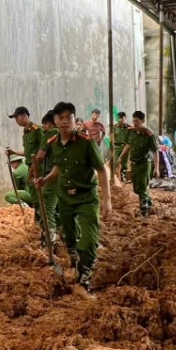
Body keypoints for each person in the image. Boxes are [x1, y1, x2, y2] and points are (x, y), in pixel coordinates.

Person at [35, 101, 112, 291]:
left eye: (68, 117)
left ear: (74, 119)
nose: (65, 122)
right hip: (65, 198)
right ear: (55, 121)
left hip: (86, 198)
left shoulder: (86, 143)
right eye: (60, 118)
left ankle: (83, 282)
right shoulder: (54, 144)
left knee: (89, 241)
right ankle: (76, 260)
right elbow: (59, 166)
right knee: (69, 240)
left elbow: (102, 170)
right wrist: (46, 179)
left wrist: (107, 199)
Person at [117, 110, 157, 217]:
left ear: (143, 121)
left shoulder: (149, 134)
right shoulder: (131, 131)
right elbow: (128, 145)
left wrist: (156, 168)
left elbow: (155, 151)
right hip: (134, 164)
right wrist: (120, 158)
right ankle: (149, 204)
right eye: (133, 121)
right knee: (136, 189)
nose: (135, 123)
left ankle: (144, 212)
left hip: (144, 164)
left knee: (142, 188)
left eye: (137, 121)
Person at [33, 110, 61, 241]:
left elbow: (40, 155)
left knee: (46, 206)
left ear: (48, 124)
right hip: (67, 177)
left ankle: (50, 238)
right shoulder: (67, 134)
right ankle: (64, 234)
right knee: (62, 207)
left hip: (52, 175)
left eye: (44, 126)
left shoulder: (51, 134)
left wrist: (31, 172)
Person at [6, 106, 45, 185]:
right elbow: (27, 152)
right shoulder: (26, 134)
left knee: (38, 193)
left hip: (39, 167)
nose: (16, 120)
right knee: (33, 192)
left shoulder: (37, 130)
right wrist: (13, 152)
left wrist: (35, 168)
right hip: (30, 166)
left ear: (24, 115)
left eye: (17, 117)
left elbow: (45, 149)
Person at [111, 112, 131, 182]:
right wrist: (112, 148)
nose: (120, 120)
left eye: (122, 118)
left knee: (124, 163)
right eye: (119, 118)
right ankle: (113, 177)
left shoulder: (129, 128)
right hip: (117, 147)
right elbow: (112, 138)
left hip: (125, 147)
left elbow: (130, 139)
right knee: (115, 162)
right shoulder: (114, 127)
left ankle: (123, 177)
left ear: (125, 118)